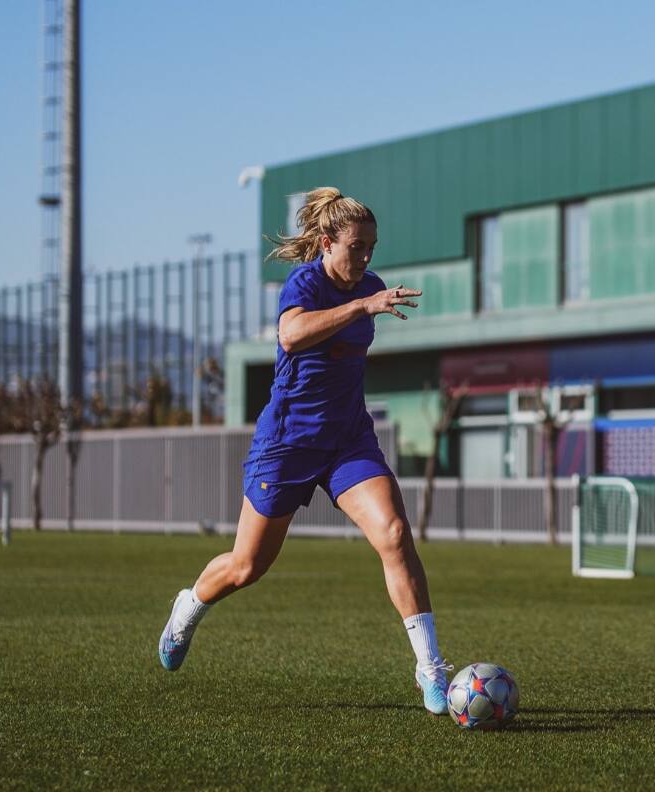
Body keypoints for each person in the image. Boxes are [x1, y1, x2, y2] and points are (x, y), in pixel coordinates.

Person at [158, 187, 454, 714]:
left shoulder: (372, 285)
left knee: (393, 533)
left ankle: (429, 669)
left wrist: (365, 296)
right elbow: (291, 336)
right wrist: (360, 305)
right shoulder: (306, 283)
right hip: (288, 444)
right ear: (326, 242)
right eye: (356, 246)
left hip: (347, 440)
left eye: (372, 248)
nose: (366, 258)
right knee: (248, 566)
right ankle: (188, 607)